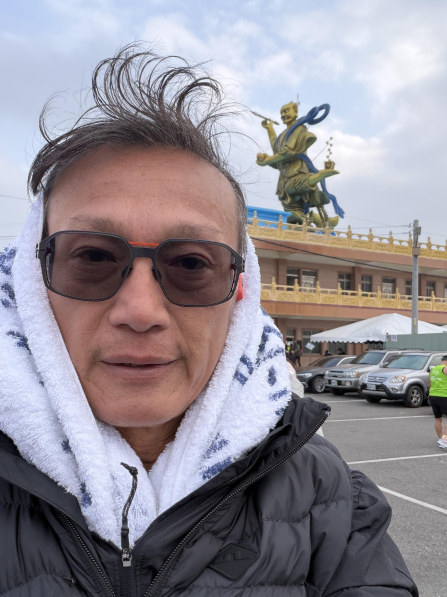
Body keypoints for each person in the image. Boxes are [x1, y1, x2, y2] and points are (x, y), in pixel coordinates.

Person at [0, 45, 417, 596]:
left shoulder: (332, 502)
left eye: (192, 264)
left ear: (240, 295)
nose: (141, 312)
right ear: (31, 281)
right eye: (93, 256)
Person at [428, 355, 447, 449]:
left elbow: (429, 384)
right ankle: (445, 439)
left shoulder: (433, 370)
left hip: (433, 395)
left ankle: (441, 439)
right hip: (444, 395)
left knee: (438, 418)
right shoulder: (445, 369)